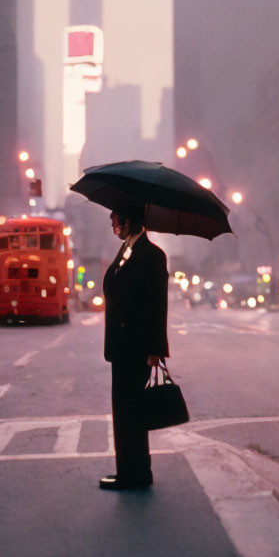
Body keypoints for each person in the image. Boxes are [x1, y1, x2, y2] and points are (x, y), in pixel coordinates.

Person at [99, 204, 169, 491]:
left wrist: (156, 349)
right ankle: (130, 469)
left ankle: (135, 473)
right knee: (125, 412)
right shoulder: (127, 250)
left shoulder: (152, 256)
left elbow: (157, 304)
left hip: (137, 346)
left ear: (129, 220)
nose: (112, 222)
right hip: (122, 345)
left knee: (132, 413)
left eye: (115, 218)